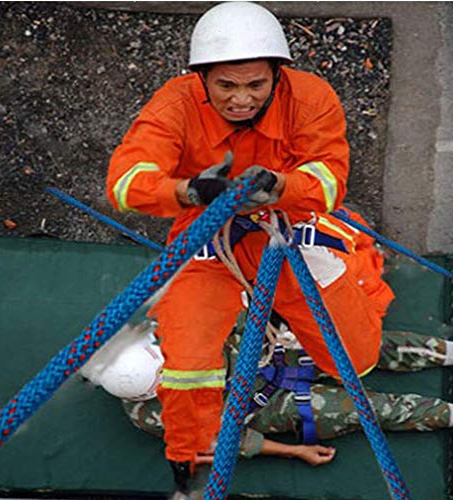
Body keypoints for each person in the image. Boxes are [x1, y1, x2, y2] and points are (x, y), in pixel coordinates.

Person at [106, 1, 392, 493]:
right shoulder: (175, 105)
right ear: (202, 79)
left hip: (284, 229)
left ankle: (303, 326)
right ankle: (187, 459)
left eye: (255, 86)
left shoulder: (310, 98)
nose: (241, 99)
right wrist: (187, 191)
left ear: (276, 77)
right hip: (206, 237)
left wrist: (280, 186)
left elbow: (328, 179)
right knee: (187, 366)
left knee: (356, 355)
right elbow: (127, 181)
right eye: (226, 86)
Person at [80, 320, 453, 496]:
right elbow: (224, 442)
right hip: (273, 405)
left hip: (271, 353)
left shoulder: (166, 333)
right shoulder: (153, 416)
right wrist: (294, 450)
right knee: (366, 410)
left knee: (365, 345)